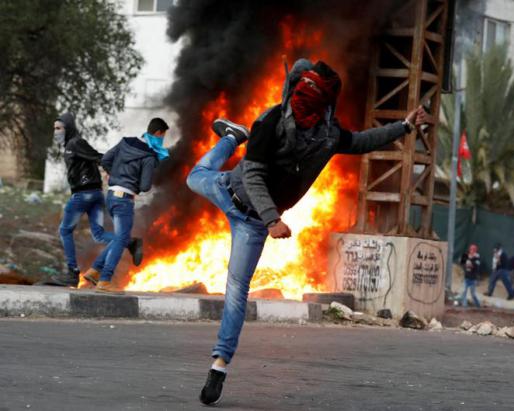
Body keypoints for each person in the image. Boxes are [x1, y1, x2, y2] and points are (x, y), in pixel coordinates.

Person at [187, 59, 431, 406]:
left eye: (312, 102)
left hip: (253, 224)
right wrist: (273, 219)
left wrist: (404, 127)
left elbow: (361, 141)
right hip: (230, 190)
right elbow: (254, 176)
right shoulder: (269, 121)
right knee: (195, 175)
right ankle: (231, 137)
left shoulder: (328, 136)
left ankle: (219, 366)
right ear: (293, 91)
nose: (304, 109)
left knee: (236, 293)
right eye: (302, 96)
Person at [48, 112, 142, 287]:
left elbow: (99, 157)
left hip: (84, 194)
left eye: (59, 128)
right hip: (95, 195)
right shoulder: (70, 144)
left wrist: (116, 172)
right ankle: (129, 242)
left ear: (68, 128)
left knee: (65, 230)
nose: (56, 132)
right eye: (55, 129)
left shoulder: (75, 143)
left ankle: (72, 272)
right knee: (98, 235)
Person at [82, 118, 169, 294]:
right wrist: (131, 184)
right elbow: (145, 186)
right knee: (122, 239)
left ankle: (94, 270)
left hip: (112, 195)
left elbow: (106, 159)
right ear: (158, 133)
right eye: (163, 136)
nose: (163, 140)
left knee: (120, 238)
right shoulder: (149, 156)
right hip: (124, 200)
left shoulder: (125, 142)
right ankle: (104, 280)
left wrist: (116, 177)